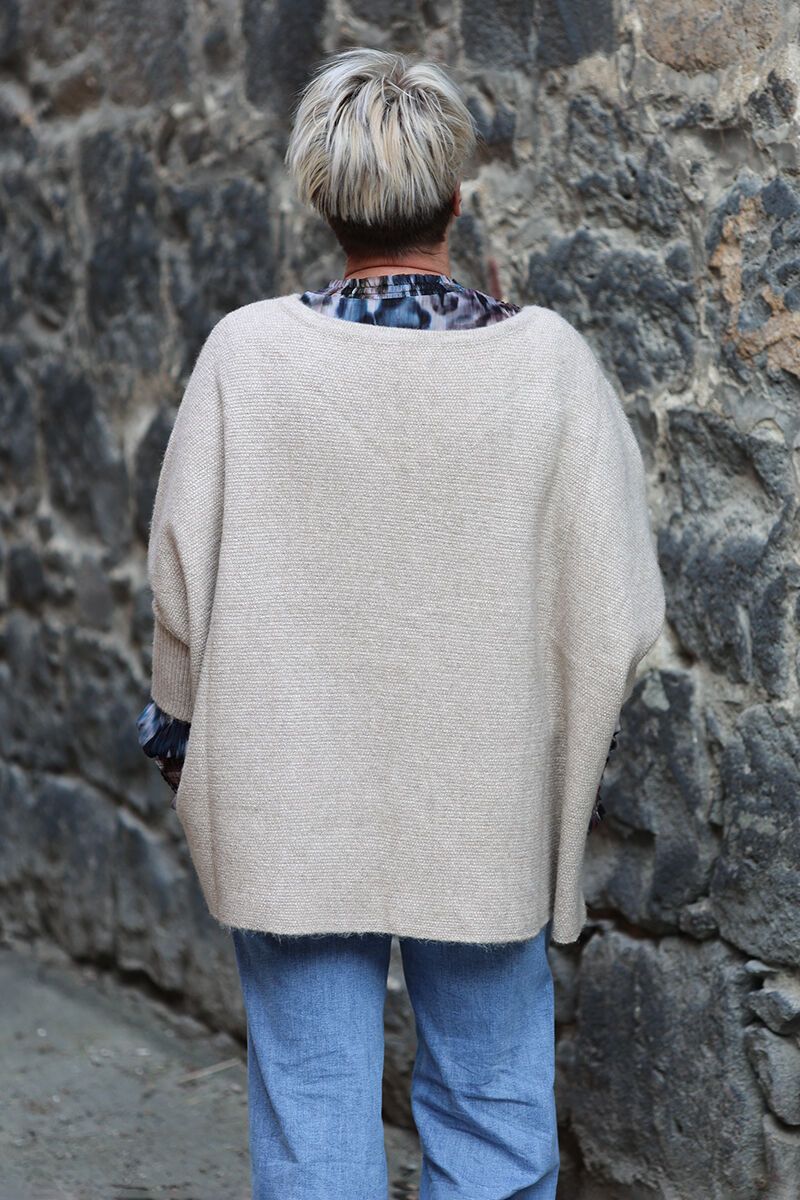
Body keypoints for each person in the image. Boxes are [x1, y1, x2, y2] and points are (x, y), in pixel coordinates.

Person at [136, 46, 664, 1200]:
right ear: (456, 199)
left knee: (313, 1099)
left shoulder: (245, 356)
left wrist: (178, 735)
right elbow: (616, 603)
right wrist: (564, 752)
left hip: (287, 792)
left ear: (321, 202)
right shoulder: (548, 365)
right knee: (491, 1103)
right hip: (481, 792)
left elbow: (179, 581)